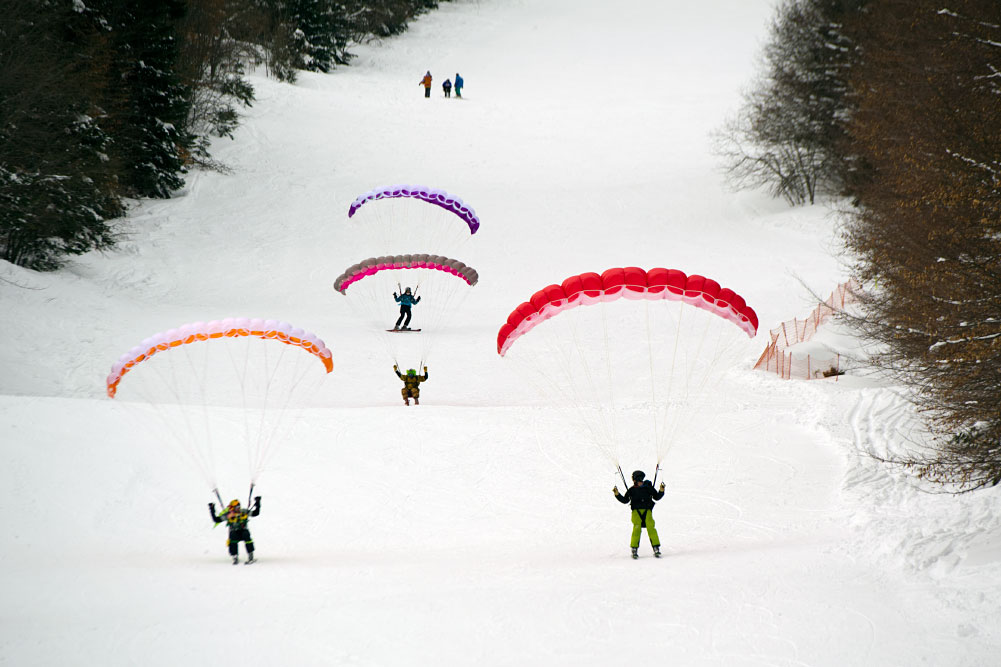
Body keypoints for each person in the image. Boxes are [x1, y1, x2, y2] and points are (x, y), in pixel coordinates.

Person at [613, 470, 665, 559]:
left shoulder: (648, 488)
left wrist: (661, 490)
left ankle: (656, 547)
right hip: (636, 512)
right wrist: (617, 494)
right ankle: (634, 548)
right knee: (636, 528)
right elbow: (625, 500)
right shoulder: (632, 490)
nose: (637, 483)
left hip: (647, 511)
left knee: (651, 527)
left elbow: (656, 497)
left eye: (638, 481)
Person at [209, 496, 261, 564]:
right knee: (233, 536)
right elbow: (216, 520)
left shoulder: (244, 512)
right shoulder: (229, 515)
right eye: (236, 507)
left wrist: (258, 503)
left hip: (243, 531)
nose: (238, 508)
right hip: (234, 532)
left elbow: (256, 513)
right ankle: (235, 556)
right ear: (232, 508)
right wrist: (212, 509)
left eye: (239, 506)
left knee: (246, 534)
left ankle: (250, 555)